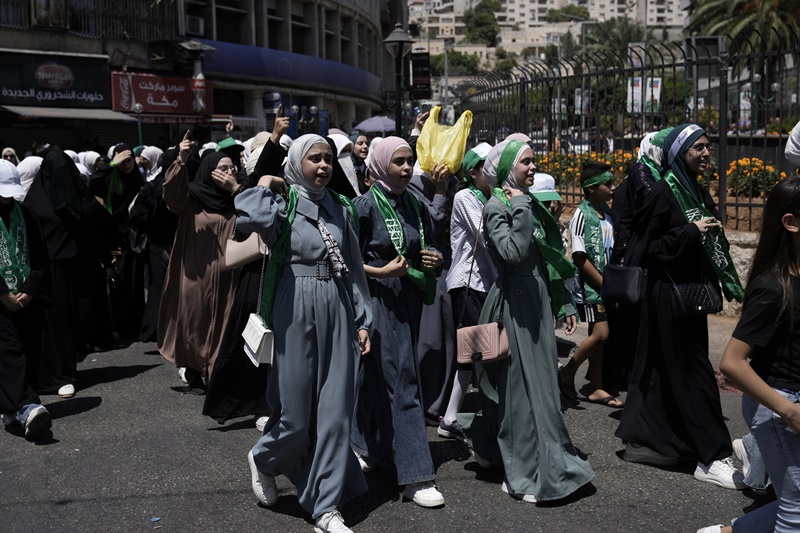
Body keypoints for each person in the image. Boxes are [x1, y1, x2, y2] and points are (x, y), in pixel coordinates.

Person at [237, 134, 371, 533]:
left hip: (337, 306)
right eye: (315, 159)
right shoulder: (284, 204)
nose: (324, 166)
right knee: (293, 414)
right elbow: (249, 219)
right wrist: (265, 183)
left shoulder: (342, 207)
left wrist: (363, 321)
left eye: (329, 159)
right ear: (297, 163)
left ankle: (326, 507)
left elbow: (355, 268)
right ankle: (264, 458)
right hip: (293, 306)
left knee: (335, 413)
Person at [458, 139, 594, 503]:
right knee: (517, 394)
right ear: (507, 170)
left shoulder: (525, 202)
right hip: (512, 308)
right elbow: (513, 253)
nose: (534, 167)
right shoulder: (495, 206)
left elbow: (549, 260)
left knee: (542, 391)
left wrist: (562, 303)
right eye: (527, 163)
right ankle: (522, 472)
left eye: (534, 161)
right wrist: (519, 202)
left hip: (534, 307)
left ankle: (526, 457)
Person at [616, 124, 746, 489]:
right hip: (667, 298)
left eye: (708, 146)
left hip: (687, 294)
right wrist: (691, 232)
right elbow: (648, 249)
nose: (706, 153)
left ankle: (657, 441)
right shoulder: (663, 192)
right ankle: (712, 455)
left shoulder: (696, 189)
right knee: (695, 374)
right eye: (698, 148)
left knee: (664, 371)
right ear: (679, 153)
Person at [697, 176, 800, 533]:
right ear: (791, 223)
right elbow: (732, 363)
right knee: (796, 507)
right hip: (781, 404)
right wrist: (789, 412)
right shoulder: (774, 287)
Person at [350, 136, 446, 508]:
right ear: (379, 165)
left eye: (410, 161)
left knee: (377, 375)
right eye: (399, 162)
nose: (407, 168)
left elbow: (430, 245)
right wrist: (380, 270)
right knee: (402, 381)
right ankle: (416, 475)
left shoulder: (414, 204)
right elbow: (345, 261)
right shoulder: (362, 207)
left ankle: (367, 445)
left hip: (408, 300)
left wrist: (434, 258)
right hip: (377, 301)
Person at [157, 132, 241, 393]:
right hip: (195, 276)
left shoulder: (238, 199)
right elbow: (171, 195)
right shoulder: (192, 198)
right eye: (222, 168)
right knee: (194, 323)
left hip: (229, 277)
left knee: (225, 325)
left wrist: (237, 190)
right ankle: (193, 370)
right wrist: (181, 160)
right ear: (209, 170)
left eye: (232, 168)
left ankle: (218, 372)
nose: (229, 172)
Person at [440, 142, 495, 440]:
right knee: (476, 351)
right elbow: (486, 237)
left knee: (476, 352)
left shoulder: (490, 196)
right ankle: (452, 417)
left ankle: (451, 416)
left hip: (486, 284)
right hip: (469, 282)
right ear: (473, 173)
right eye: (488, 167)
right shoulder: (465, 196)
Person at [560, 161, 623, 408]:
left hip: (607, 286)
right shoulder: (580, 215)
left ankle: (596, 387)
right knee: (601, 333)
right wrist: (603, 283)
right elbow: (579, 256)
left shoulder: (608, 214)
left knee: (601, 339)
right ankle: (568, 372)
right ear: (591, 188)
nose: (612, 188)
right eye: (608, 184)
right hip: (590, 288)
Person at [0, 160, 51, 440]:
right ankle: (28, 406)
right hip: (1, 298)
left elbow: (40, 253)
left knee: (29, 348)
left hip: (25, 295)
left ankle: (12, 407)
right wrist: (2, 293)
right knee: (9, 351)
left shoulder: (26, 212)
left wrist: (30, 289)